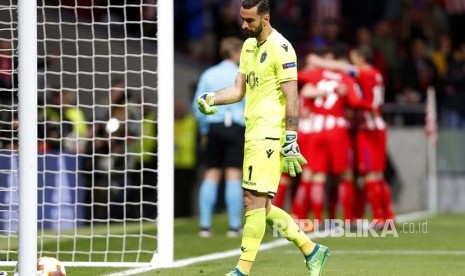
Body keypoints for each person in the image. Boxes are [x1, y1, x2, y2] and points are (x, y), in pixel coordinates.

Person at [196, 1, 329, 275]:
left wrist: (291, 138)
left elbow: (293, 98)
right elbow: (237, 89)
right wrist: (212, 98)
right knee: (263, 207)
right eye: (242, 19)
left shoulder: (282, 48)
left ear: (265, 18)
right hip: (252, 133)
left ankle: (242, 270)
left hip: (270, 135)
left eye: (249, 20)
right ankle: (312, 250)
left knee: (251, 201)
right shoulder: (247, 47)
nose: (244, 25)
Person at [309, 46, 396, 227]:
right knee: (377, 175)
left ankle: (379, 217)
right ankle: (387, 215)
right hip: (376, 126)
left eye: (353, 58)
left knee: (370, 175)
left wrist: (319, 63)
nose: (351, 62)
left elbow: (356, 99)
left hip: (369, 129)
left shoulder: (365, 72)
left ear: (361, 58)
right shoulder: (376, 73)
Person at [192, 37, 246, 238]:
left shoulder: (209, 74)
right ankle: (234, 226)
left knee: (211, 174)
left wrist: (205, 127)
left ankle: (205, 226)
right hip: (236, 127)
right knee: (233, 174)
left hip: (214, 127)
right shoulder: (241, 74)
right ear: (233, 52)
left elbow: (198, 104)